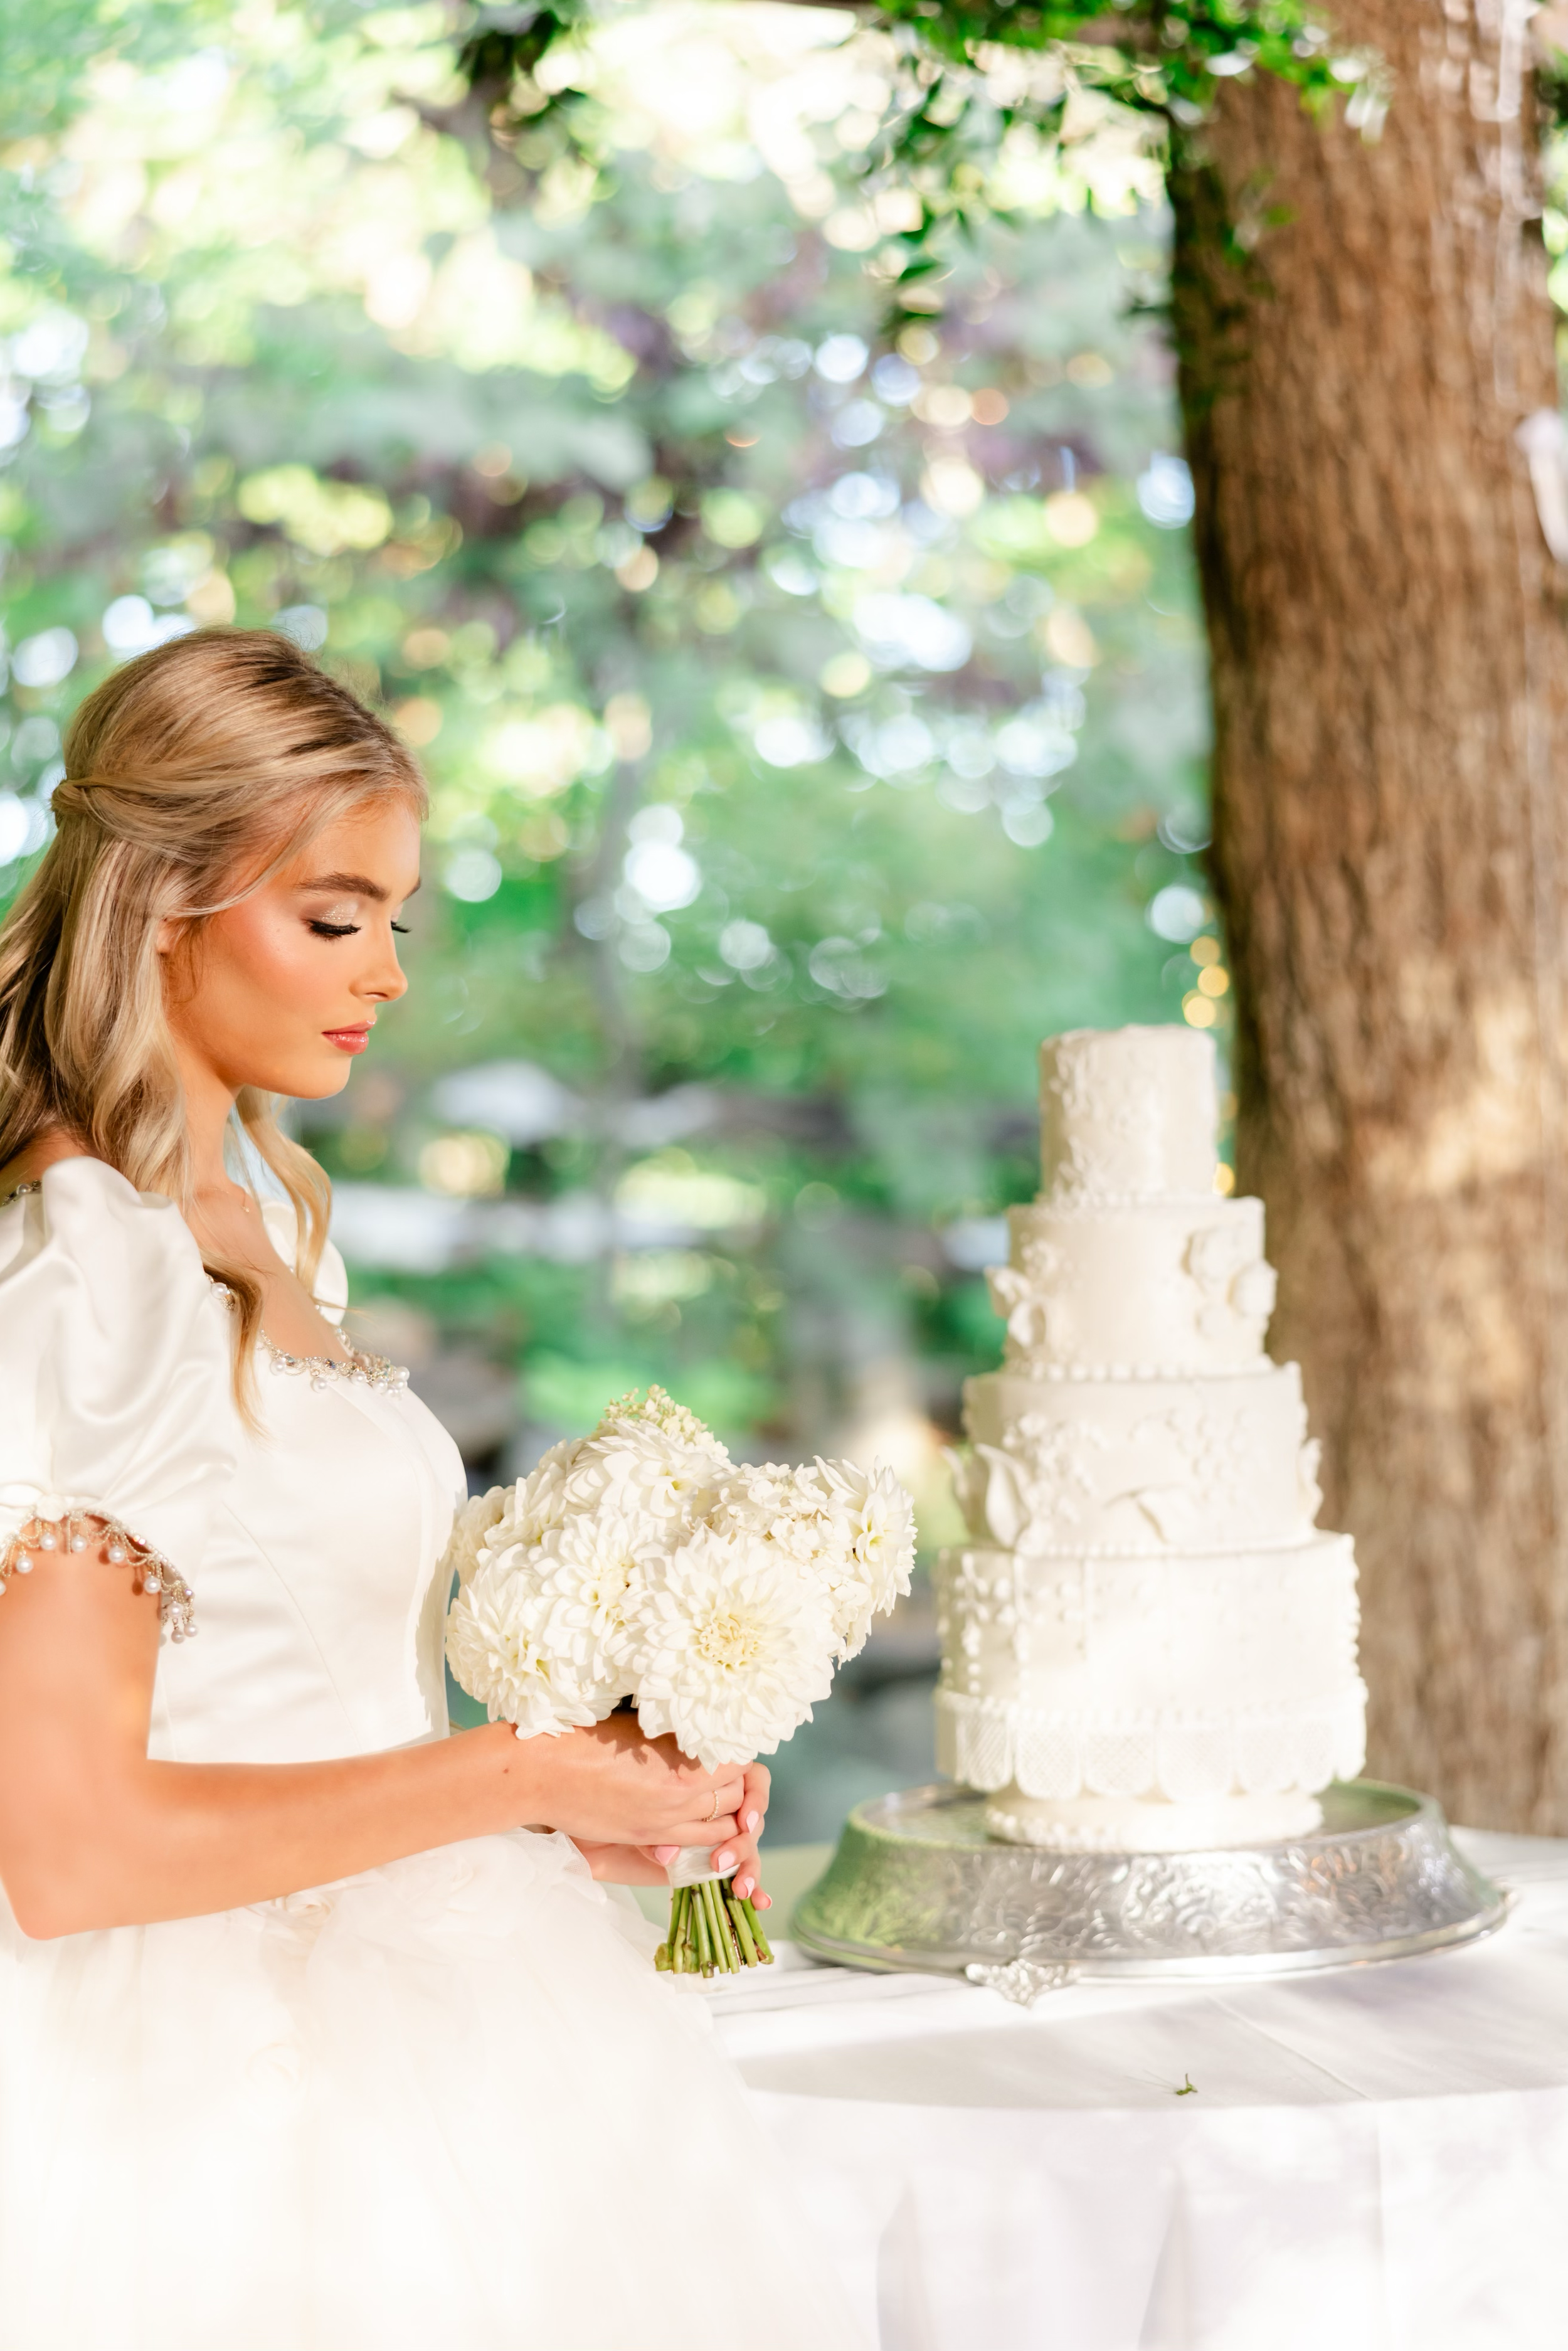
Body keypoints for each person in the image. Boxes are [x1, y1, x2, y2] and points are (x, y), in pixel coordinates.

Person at [0, 629, 864, 2351]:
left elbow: (295, 1683)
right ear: (159, 902)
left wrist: (584, 1802)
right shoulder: (93, 1262)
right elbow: (67, 1848)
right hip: (204, 2101)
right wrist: (510, 1771)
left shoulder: (260, 1213)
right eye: (334, 917)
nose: (384, 971)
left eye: (398, 920)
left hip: (441, 2018)